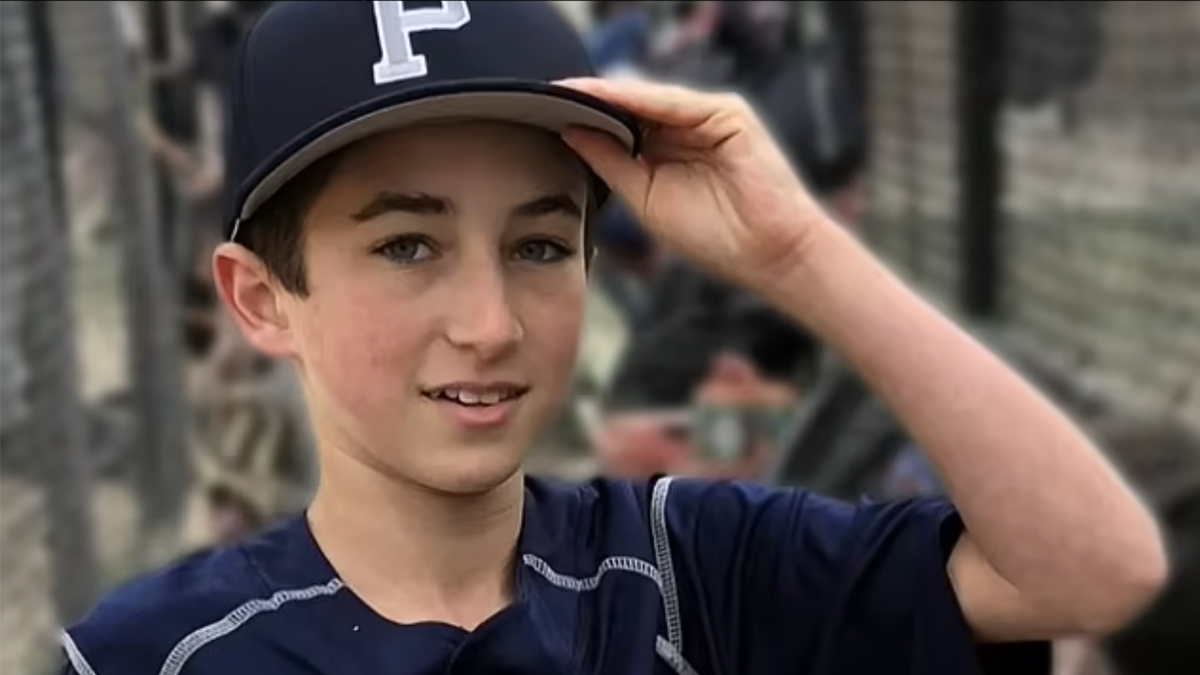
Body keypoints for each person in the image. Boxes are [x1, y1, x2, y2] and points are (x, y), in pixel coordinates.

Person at [60, 2, 1166, 674]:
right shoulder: (152, 657)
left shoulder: (694, 571)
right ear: (261, 299)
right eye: (407, 247)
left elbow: (1095, 573)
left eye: (540, 247)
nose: (488, 326)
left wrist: (794, 257)